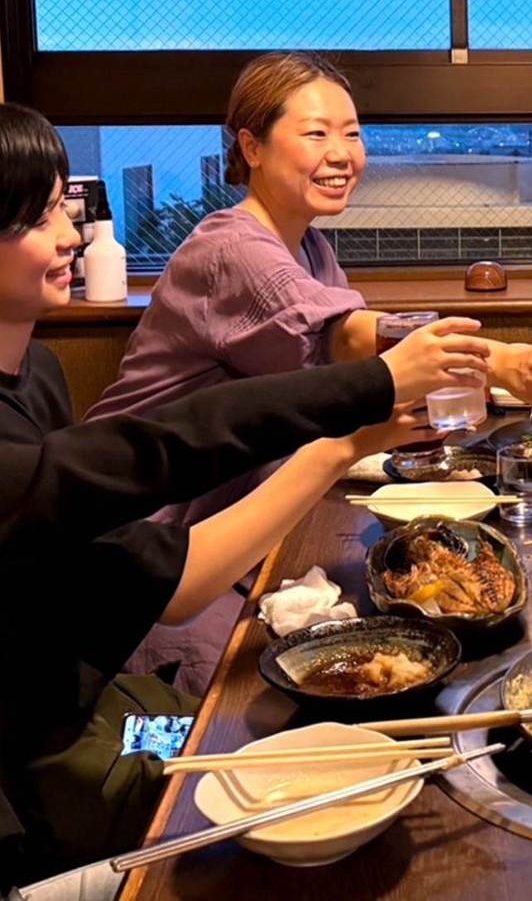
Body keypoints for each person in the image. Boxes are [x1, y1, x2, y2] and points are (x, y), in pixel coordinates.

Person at [83, 52, 532, 689]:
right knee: (275, 691)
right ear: (252, 147)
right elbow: (345, 337)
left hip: (229, 528)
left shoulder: (308, 245)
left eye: (351, 133)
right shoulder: (230, 248)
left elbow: (344, 371)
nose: (341, 153)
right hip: (144, 543)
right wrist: (502, 360)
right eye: (315, 133)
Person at [0, 297, 479, 886]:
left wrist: (347, 440)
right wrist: (361, 404)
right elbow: (167, 452)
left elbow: (124, 552)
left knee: (339, 759)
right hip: (34, 777)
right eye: (40, 229)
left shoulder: (36, 369)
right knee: (330, 823)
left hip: (91, 698)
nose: (70, 245)